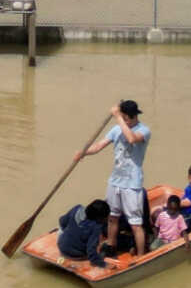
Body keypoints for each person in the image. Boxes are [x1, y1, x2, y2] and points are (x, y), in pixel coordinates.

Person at [77, 99, 151, 255]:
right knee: (112, 216)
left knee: (135, 224)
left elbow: (131, 139)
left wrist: (117, 116)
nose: (121, 120)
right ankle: (111, 245)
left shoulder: (144, 130)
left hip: (132, 183)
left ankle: (140, 255)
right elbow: (99, 146)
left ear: (130, 117)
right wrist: (83, 152)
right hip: (115, 181)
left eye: (124, 117)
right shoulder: (117, 129)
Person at [56, 198, 112, 268]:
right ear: (99, 218)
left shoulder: (76, 209)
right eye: (106, 217)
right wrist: (103, 264)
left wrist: (74, 231)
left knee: (62, 230)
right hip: (77, 255)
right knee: (103, 249)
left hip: (61, 246)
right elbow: (91, 250)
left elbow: (62, 221)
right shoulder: (96, 227)